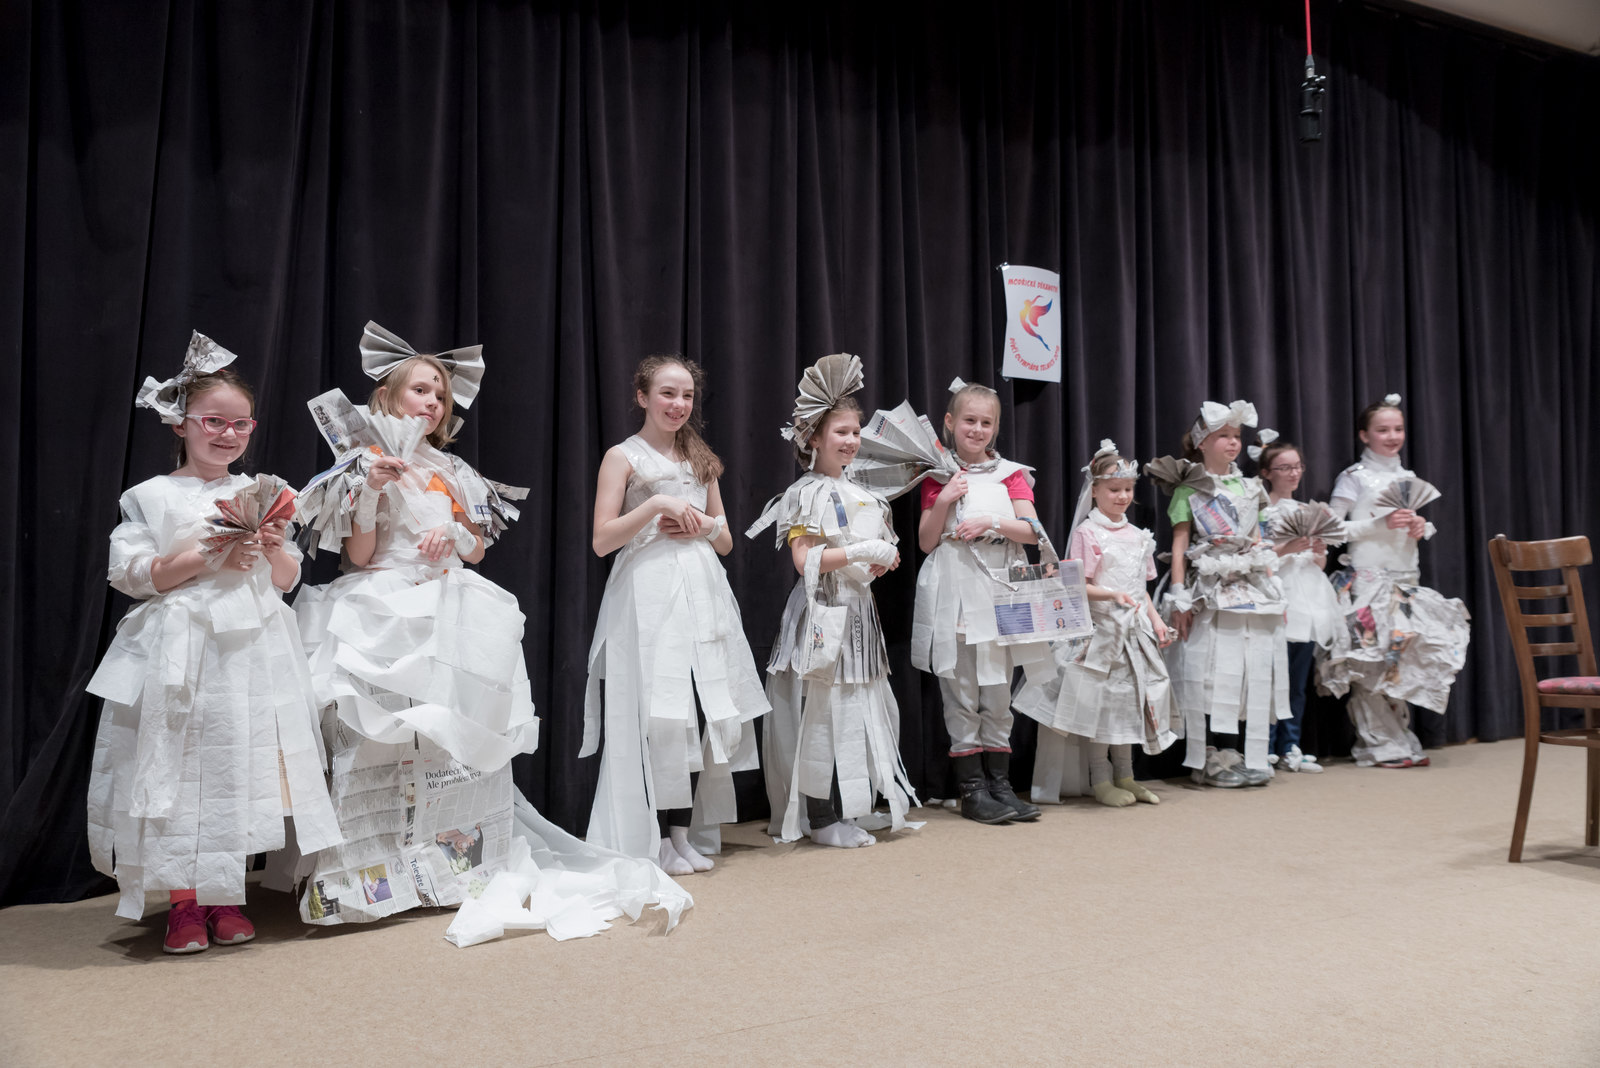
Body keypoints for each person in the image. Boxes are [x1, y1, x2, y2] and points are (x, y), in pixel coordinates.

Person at [85, 332, 341, 954]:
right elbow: (134, 575)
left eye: (240, 423)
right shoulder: (152, 495)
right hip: (185, 646)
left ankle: (226, 896)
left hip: (251, 646)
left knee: (240, 764)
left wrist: (274, 550)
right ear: (181, 423)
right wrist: (209, 553)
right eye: (213, 421)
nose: (227, 434)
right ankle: (184, 903)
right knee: (179, 764)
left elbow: (285, 582)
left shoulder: (259, 491)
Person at [293, 322, 539, 918]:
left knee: (451, 744)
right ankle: (368, 880)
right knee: (381, 742)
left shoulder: (453, 470)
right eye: (420, 390)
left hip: (450, 605)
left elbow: (476, 549)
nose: (431, 402)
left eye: (440, 395)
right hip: (385, 604)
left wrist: (454, 531)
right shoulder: (362, 466)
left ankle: (451, 875)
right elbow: (359, 556)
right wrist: (369, 492)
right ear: (388, 396)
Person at [582, 354, 769, 876]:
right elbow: (602, 540)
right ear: (643, 397)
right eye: (667, 393)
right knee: (659, 712)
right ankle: (655, 836)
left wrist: (704, 527)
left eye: (687, 395)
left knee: (697, 709)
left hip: (701, 589)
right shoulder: (623, 456)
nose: (678, 404)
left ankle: (681, 834)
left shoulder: (700, 458)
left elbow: (725, 540)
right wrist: (656, 506)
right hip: (648, 593)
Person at [747, 353, 918, 848]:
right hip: (822, 612)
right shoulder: (805, 493)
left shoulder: (865, 494)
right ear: (815, 437)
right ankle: (820, 818)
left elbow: (875, 557)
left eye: (855, 431)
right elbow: (804, 561)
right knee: (820, 711)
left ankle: (847, 808)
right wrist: (861, 551)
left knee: (858, 707)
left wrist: (884, 558)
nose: (851, 440)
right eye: (841, 431)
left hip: (859, 613)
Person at [912, 380, 1052, 824]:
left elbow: (1034, 532)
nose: (976, 429)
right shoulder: (937, 474)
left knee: (998, 692)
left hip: (1001, 591)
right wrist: (944, 500)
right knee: (961, 692)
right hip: (956, 590)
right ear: (950, 422)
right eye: (968, 420)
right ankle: (972, 790)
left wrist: (992, 520)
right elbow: (926, 541)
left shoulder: (1010, 473)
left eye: (985, 423)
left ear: (996, 427)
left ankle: (1000, 785)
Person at [1016, 441, 1179, 806]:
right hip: (1101, 635)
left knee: (1127, 705)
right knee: (1100, 707)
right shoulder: (1088, 533)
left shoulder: (1138, 536)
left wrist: (1156, 622)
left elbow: (1141, 589)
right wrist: (1112, 596)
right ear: (1095, 491)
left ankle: (1126, 775)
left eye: (1128, 489)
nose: (1123, 497)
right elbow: (1078, 585)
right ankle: (1100, 779)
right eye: (1114, 489)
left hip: (1133, 633)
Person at [1316, 394, 1470, 767]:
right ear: (1364, 435)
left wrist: (1420, 526)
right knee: (1368, 662)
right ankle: (1378, 744)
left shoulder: (1407, 478)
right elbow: (1330, 530)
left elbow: (1410, 531)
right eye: (1383, 430)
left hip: (1406, 580)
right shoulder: (1353, 477)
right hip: (1367, 581)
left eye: (1398, 429)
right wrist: (1378, 523)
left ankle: (1399, 737)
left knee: (1399, 662)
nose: (1392, 436)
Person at [1149, 400, 1288, 787]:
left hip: (1248, 587)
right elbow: (1179, 546)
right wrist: (1179, 596)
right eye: (1223, 435)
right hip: (1206, 588)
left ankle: (1234, 752)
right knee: (1207, 670)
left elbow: (1258, 541)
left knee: (1244, 668)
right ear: (1201, 443)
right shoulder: (1190, 488)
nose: (1232, 442)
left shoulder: (1251, 487)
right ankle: (1206, 755)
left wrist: (1274, 588)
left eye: (1237, 436)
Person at [1255, 437, 1340, 773]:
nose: (1293, 473)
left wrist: (1317, 550)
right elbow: (1257, 559)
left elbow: (1319, 563)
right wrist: (1287, 548)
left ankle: (1291, 745)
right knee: (1270, 678)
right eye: (1284, 467)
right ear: (1267, 473)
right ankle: (1263, 747)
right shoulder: (1261, 512)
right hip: (1278, 595)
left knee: (1297, 680)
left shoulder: (1308, 511)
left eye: (1297, 467)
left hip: (1310, 599)